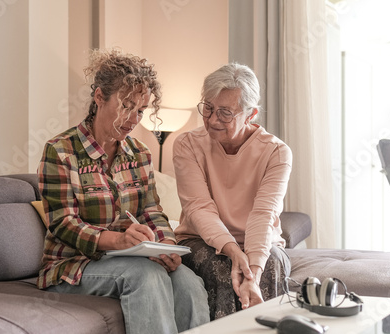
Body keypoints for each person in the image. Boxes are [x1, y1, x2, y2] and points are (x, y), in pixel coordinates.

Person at [37, 48, 209, 334]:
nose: (134, 118)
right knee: (146, 276)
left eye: (141, 110)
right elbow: (63, 223)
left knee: (188, 280)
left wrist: (165, 244)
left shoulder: (139, 153)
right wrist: (118, 241)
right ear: (99, 97)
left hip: (129, 259)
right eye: (127, 105)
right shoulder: (61, 151)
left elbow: (151, 210)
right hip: (72, 266)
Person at [173, 63, 292, 320]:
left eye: (225, 113)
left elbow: (263, 214)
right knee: (221, 269)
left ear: (251, 114)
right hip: (200, 239)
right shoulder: (187, 145)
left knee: (271, 264)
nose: (213, 119)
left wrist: (253, 271)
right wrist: (234, 252)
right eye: (208, 108)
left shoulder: (276, 152)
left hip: (258, 241)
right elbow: (198, 208)